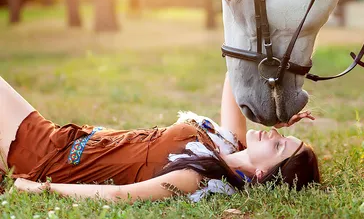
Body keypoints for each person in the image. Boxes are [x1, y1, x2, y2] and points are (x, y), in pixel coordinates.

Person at [0, 75, 319, 202]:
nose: (275, 135)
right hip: (69, 138)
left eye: (278, 146)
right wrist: (274, 108)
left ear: (262, 173)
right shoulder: (230, 141)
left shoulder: (199, 177)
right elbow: (235, 78)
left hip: (50, 157)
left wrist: (40, 188)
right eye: (283, 136)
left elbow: (120, 196)